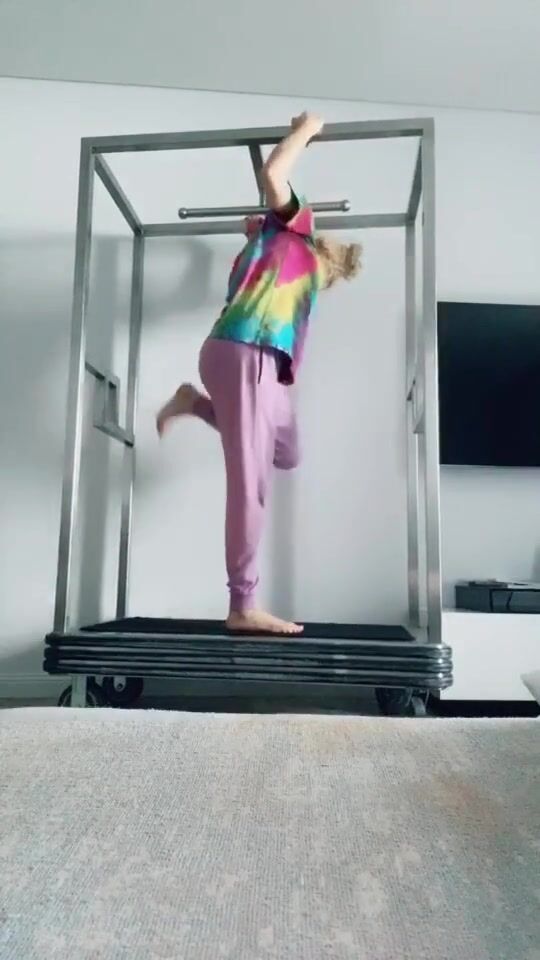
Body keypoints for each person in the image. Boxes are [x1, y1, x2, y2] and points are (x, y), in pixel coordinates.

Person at [157, 112, 361, 634]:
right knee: (250, 485)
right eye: (332, 271)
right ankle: (242, 604)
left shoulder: (267, 249)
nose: (326, 279)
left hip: (252, 361)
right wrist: (306, 130)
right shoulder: (296, 228)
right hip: (248, 352)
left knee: (286, 451)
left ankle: (195, 403)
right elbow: (273, 175)